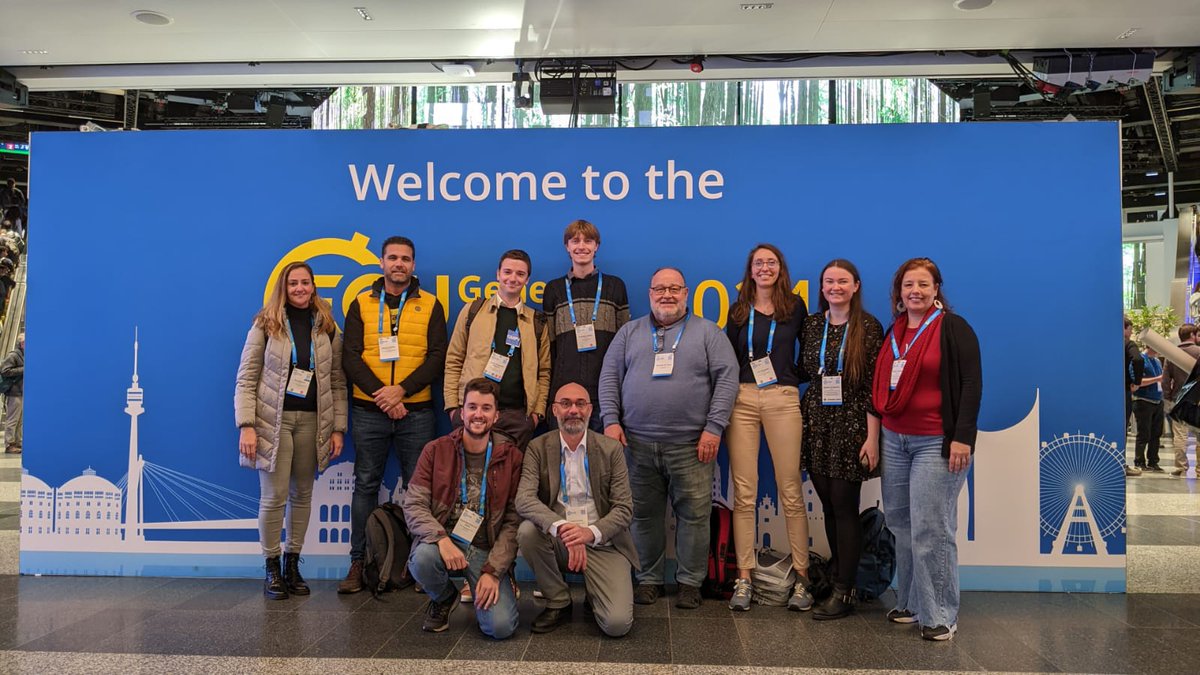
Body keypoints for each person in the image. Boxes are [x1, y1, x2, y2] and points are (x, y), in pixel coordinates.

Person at [599, 267, 739, 609]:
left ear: (686, 294)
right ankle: (648, 579)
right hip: (636, 444)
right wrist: (610, 422)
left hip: (692, 445)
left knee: (694, 516)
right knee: (642, 516)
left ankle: (690, 582)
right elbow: (609, 377)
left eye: (674, 289)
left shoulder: (708, 332)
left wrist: (714, 427)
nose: (667, 295)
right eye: (660, 289)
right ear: (649, 294)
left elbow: (727, 379)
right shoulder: (629, 332)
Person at [872, 257, 981, 641]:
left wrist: (963, 437)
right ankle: (911, 602)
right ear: (899, 293)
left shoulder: (953, 327)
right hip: (894, 438)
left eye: (923, 284)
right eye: (908, 285)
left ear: (936, 290)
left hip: (936, 441)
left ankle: (940, 615)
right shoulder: (895, 331)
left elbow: (971, 383)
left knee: (932, 528)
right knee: (901, 525)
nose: (915, 291)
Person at [339, 235, 447, 594]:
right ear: (382, 263)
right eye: (393, 258)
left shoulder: (431, 304)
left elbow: (437, 357)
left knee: (418, 488)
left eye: (405, 259)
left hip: (416, 411)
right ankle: (359, 561)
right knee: (365, 484)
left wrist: (401, 391)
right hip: (369, 409)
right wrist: (383, 396)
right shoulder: (361, 303)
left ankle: (418, 564)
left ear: (413, 265)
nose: (399, 264)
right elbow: (350, 356)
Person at [234, 263, 347, 599]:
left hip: (313, 422)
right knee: (274, 496)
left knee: (302, 495)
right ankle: (271, 566)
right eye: (293, 283)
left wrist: (338, 428)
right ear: (283, 287)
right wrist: (246, 425)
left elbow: (337, 382)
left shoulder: (326, 325)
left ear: (314, 286)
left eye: (305, 282)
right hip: (274, 422)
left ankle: (292, 564)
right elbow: (246, 378)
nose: (300, 288)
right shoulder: (265, 324)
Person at [722, 244, 813, 612]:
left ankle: (802, 579)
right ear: (750, 270)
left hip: (782, 398)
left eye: (771, 262)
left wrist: (789, 377)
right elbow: (728, 359)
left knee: (790, 489)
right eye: (758, 263)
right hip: (742, 399)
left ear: (780, 268)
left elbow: (809, 353)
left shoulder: (795, 307)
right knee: (744, 493)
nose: (764, 268)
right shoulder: (739, 310)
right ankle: (744, 578)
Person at [515, 382, 638, 637]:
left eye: (580, 404)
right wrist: (565, 528)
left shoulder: (611, 449)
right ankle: (558, 601)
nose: (573, 410)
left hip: (603, 543)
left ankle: (596, 594)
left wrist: (589, 533)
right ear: (554, 410)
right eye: (566, 404)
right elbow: (524, 499)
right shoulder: (538, 447)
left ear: (590, 410)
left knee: (616, 625)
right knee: (528, 532)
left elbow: (624, 508)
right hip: (560, 539)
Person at [403, 378, 523, 639]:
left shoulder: (511, 457)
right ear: (461, 413)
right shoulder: (436, 450)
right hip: (444, 542)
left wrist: (493, 571)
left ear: (496, 415)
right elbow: (414, 504)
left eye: (486, 408)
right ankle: (444, 597)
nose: (478, 414)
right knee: (422, 559)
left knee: (500, 627)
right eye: (472, 407)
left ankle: (498, 582)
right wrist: (441, 538)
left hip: (485, 549)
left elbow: (514, 522)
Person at [801, 259, 884, 620]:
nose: (835, 287)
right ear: (822, 287)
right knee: (828, 505)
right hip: (817, 422)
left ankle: (846, 591)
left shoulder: (868, 326)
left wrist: (872, 438)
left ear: (856, 286)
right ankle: (837, 576)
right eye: (829, 281)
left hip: (852, 424)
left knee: (845, 506)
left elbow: (873, 387)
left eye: (842, 281)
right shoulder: (812, 324)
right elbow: (806, 369)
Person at [445, 249, 550, 451]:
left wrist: (536, 415)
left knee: (511, 471)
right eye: (507, 272)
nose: (513, 278)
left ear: (527, 279)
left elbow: (544, 371)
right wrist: (452, 408)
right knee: (471, 470)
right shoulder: (473, 310)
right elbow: (454, 360)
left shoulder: (537, 321)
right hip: (474, 413)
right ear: (498, 274)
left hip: (516, 418)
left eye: (520, 274)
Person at [540, 220, 630, 432]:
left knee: (603, 451)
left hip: (604, 392)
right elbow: (550, 347)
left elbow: (624, 343)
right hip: (563, 392)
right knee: (563, 450)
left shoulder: (615, 286)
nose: (582, 246)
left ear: (596, 246)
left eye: (588, 241)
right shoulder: (553, 289)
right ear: (567, 246)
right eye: (575, 241)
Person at [1161, 324, 1199, 478]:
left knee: (1180, 435)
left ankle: (1180, 467)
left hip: (1179, 398)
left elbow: (1165, 380)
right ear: (1192, 335)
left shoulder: (1172, 354)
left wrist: (1168, 398)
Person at [1132, 345, 1165, 472]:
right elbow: (1137, 381)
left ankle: (1153, 461)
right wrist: (1157, 379)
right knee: (1144, 433)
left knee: (1156, 433)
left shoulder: (1157, 361)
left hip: (1158, 400)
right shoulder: (1140, 360)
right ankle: (1139, 461)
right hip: (1143, 401)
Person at [1123, 317, 1144, 477]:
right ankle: (1121, 464)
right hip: (1122, 392)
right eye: (1130, 329)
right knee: (1122, 427)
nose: (1131, 333)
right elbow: (1137, 359)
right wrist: (1136, 382)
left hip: (1103, 392)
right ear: (1124, 328)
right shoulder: (1128, 344)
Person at [2, 333, 23, 454]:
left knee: (19, 420)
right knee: (13, 419)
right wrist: (24, 369)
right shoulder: (13, 355)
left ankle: (18, 442)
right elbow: (5, 371)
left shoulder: (24, 355)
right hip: (14, 392)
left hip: (21, 391)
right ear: (22, 343)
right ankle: (9, 444)